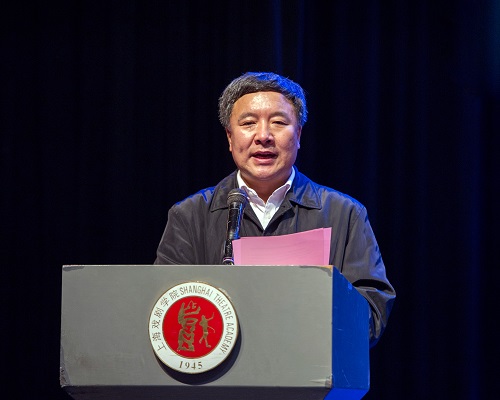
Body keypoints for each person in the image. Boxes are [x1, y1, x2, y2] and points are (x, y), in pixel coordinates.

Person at [154, 71, 396, 346]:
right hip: (218, 371)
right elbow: (165, 310)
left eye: (279, 122)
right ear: (230, 138)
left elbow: (371, 315)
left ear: (299, 134)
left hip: (309, 368)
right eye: (248, 123)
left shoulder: (345, 214)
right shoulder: (189, 216)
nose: (263, 136)